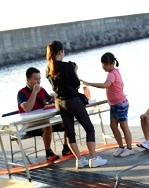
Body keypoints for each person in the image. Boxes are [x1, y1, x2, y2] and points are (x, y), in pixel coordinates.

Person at [45, 40, 107, 169]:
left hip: (59, 102)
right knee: (89, 129)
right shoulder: (68, 66)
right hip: (72, 101)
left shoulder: (48, 69)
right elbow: (77, 84)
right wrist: (75, 71)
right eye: (63, 52)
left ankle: (79, 160)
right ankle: (93, 158)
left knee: (70, 132)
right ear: (60, 52)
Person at [82, 52, 134, 158]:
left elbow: (105, 85)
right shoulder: (114, 72)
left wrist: (89, 83)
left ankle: (129, 148)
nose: (103, 66)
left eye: (105, 64)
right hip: (114, 104)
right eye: (103, 64)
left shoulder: (112, 74)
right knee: (113, 126)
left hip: (120, 104)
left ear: (112, 64)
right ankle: (121, 146)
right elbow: (121, 84)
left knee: (124, 126)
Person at [17, 66, 70, 160]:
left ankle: (66, 147)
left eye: (39, 79)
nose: (38, 82)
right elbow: (27, 108)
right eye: (35, 79)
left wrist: (54, 98)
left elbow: (49, 101)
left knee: (67, 121)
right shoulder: (21, 93)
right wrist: (34, 92)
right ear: (28, 80)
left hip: (44, 119)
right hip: (30, 124)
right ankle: (48, 152)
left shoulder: (41, 90)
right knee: (47, 126)